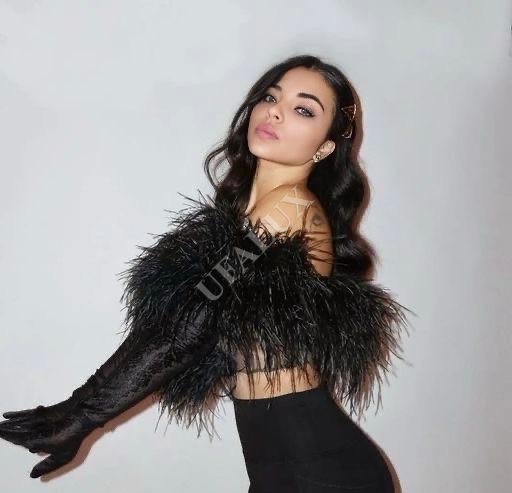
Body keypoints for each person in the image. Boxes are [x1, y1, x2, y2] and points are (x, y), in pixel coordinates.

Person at [0, 54, 414, 492]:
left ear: (325, 148)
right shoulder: (253, 214)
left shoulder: (286, 208)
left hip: (320, 469)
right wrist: (74, 411)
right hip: (284, 464)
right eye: (271, 97)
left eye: (303, 109)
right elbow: (170, 326)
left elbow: (189, 325)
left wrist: (82, 415)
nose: (275, 111)